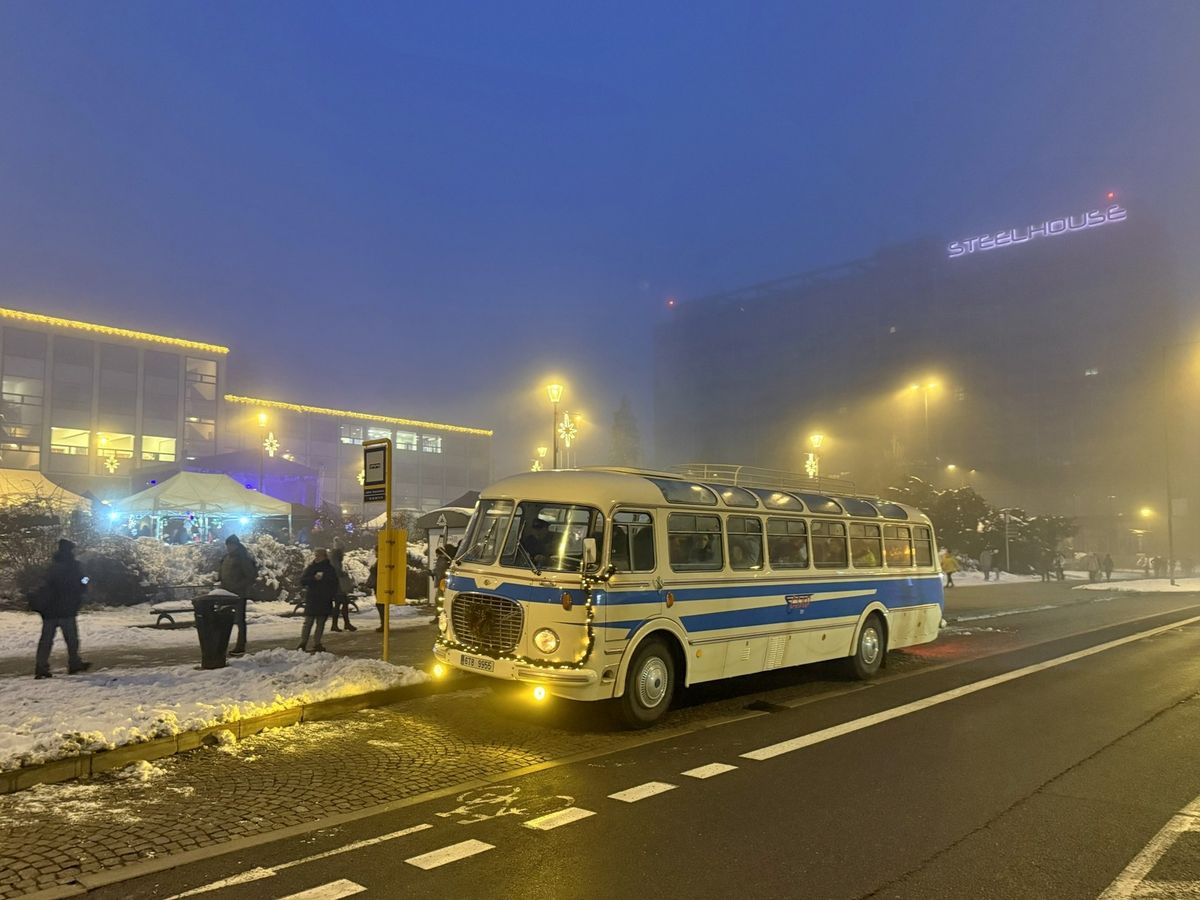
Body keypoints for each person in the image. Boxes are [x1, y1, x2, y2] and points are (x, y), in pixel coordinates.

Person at [32, 539, 91, 679]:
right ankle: (74, 663)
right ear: (71, 550)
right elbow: (83, 581)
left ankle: (41, 667)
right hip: (66, 609)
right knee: (72, 639)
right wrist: (87, 580)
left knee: (46, 640)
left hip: (50, 610)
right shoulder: (74, 566)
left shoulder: (52, 566)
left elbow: (44, 584)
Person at [218, 534, 258, 656]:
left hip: (238, 594)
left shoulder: (242, 558)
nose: (229, 547)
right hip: (226, 593)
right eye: (228, 545)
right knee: (225, 620)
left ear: (236, 545)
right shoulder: (226, 557)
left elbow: (251, 575)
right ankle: (222, 644)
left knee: (239, 620)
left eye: (231, 545)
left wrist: (238, 586)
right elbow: (222, 573)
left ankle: (241, 644)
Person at [297, 548, 337, 653]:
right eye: (316, 555)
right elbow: (303, 581)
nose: (316, 557)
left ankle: (317, 643)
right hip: (313, 598)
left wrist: (330, 593)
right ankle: (303, 643)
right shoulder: (311, 568)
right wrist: (313, 579)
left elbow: (334, 583)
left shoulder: (329, 569)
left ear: (324, 556)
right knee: (308, 622)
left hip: (324, 598)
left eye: (319, 555)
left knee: (320, 622)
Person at [328, 546, 357, 633]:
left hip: (336, 587)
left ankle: (337, 624)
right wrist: (344, 574)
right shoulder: (336, 563)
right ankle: (344, 624)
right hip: (338, 588)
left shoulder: (333, 562)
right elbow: (338, 573)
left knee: (339, 605)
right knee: (343, 604)